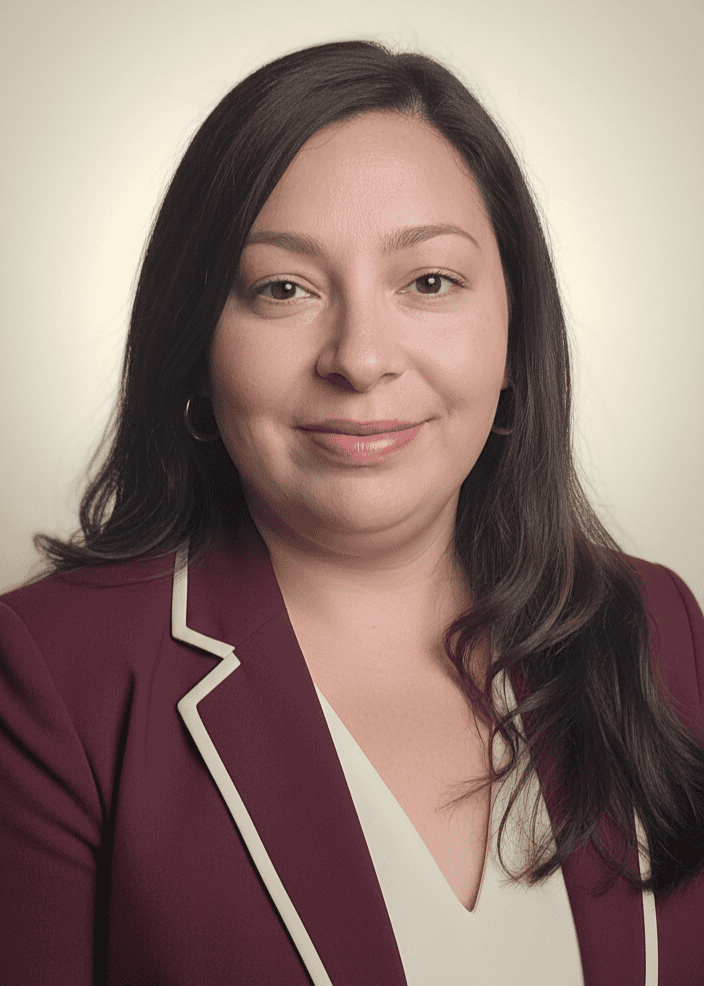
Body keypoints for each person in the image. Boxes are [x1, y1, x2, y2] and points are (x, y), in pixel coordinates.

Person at [1, 39, 702, 986]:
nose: (361, 357)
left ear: (515, 328)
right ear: (197, 341)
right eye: (283, 289)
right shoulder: (53, 676)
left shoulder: (656, 627)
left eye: (429, 282)